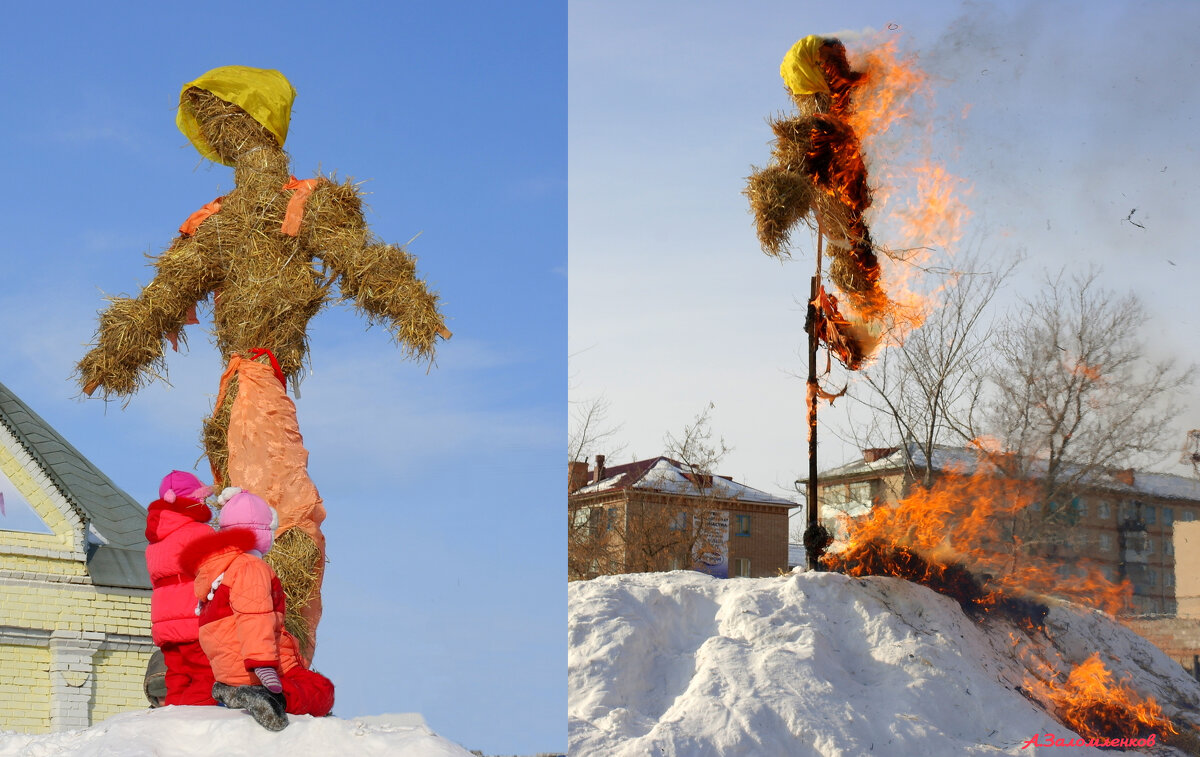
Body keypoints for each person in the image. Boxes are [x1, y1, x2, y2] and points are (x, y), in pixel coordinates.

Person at [180, 490, 334, 731]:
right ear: (261, 532)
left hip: (228, 670)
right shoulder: (251, 568)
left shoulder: (217, 572)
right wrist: (263, 666)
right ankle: (272, 700)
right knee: (321, 689)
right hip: (255, 668)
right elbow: (255, 619)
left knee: (307, 681)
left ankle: (233, 689)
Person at [144, 470, 216, 706]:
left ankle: (174, 717)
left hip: (164, 620)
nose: (205, 501)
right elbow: (215, 572)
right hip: (191, 616)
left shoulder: (156, 542)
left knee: (177, 675)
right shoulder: (200, 533)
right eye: (200, 497)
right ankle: (197, 720)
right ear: (190, 501)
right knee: (204, 674)